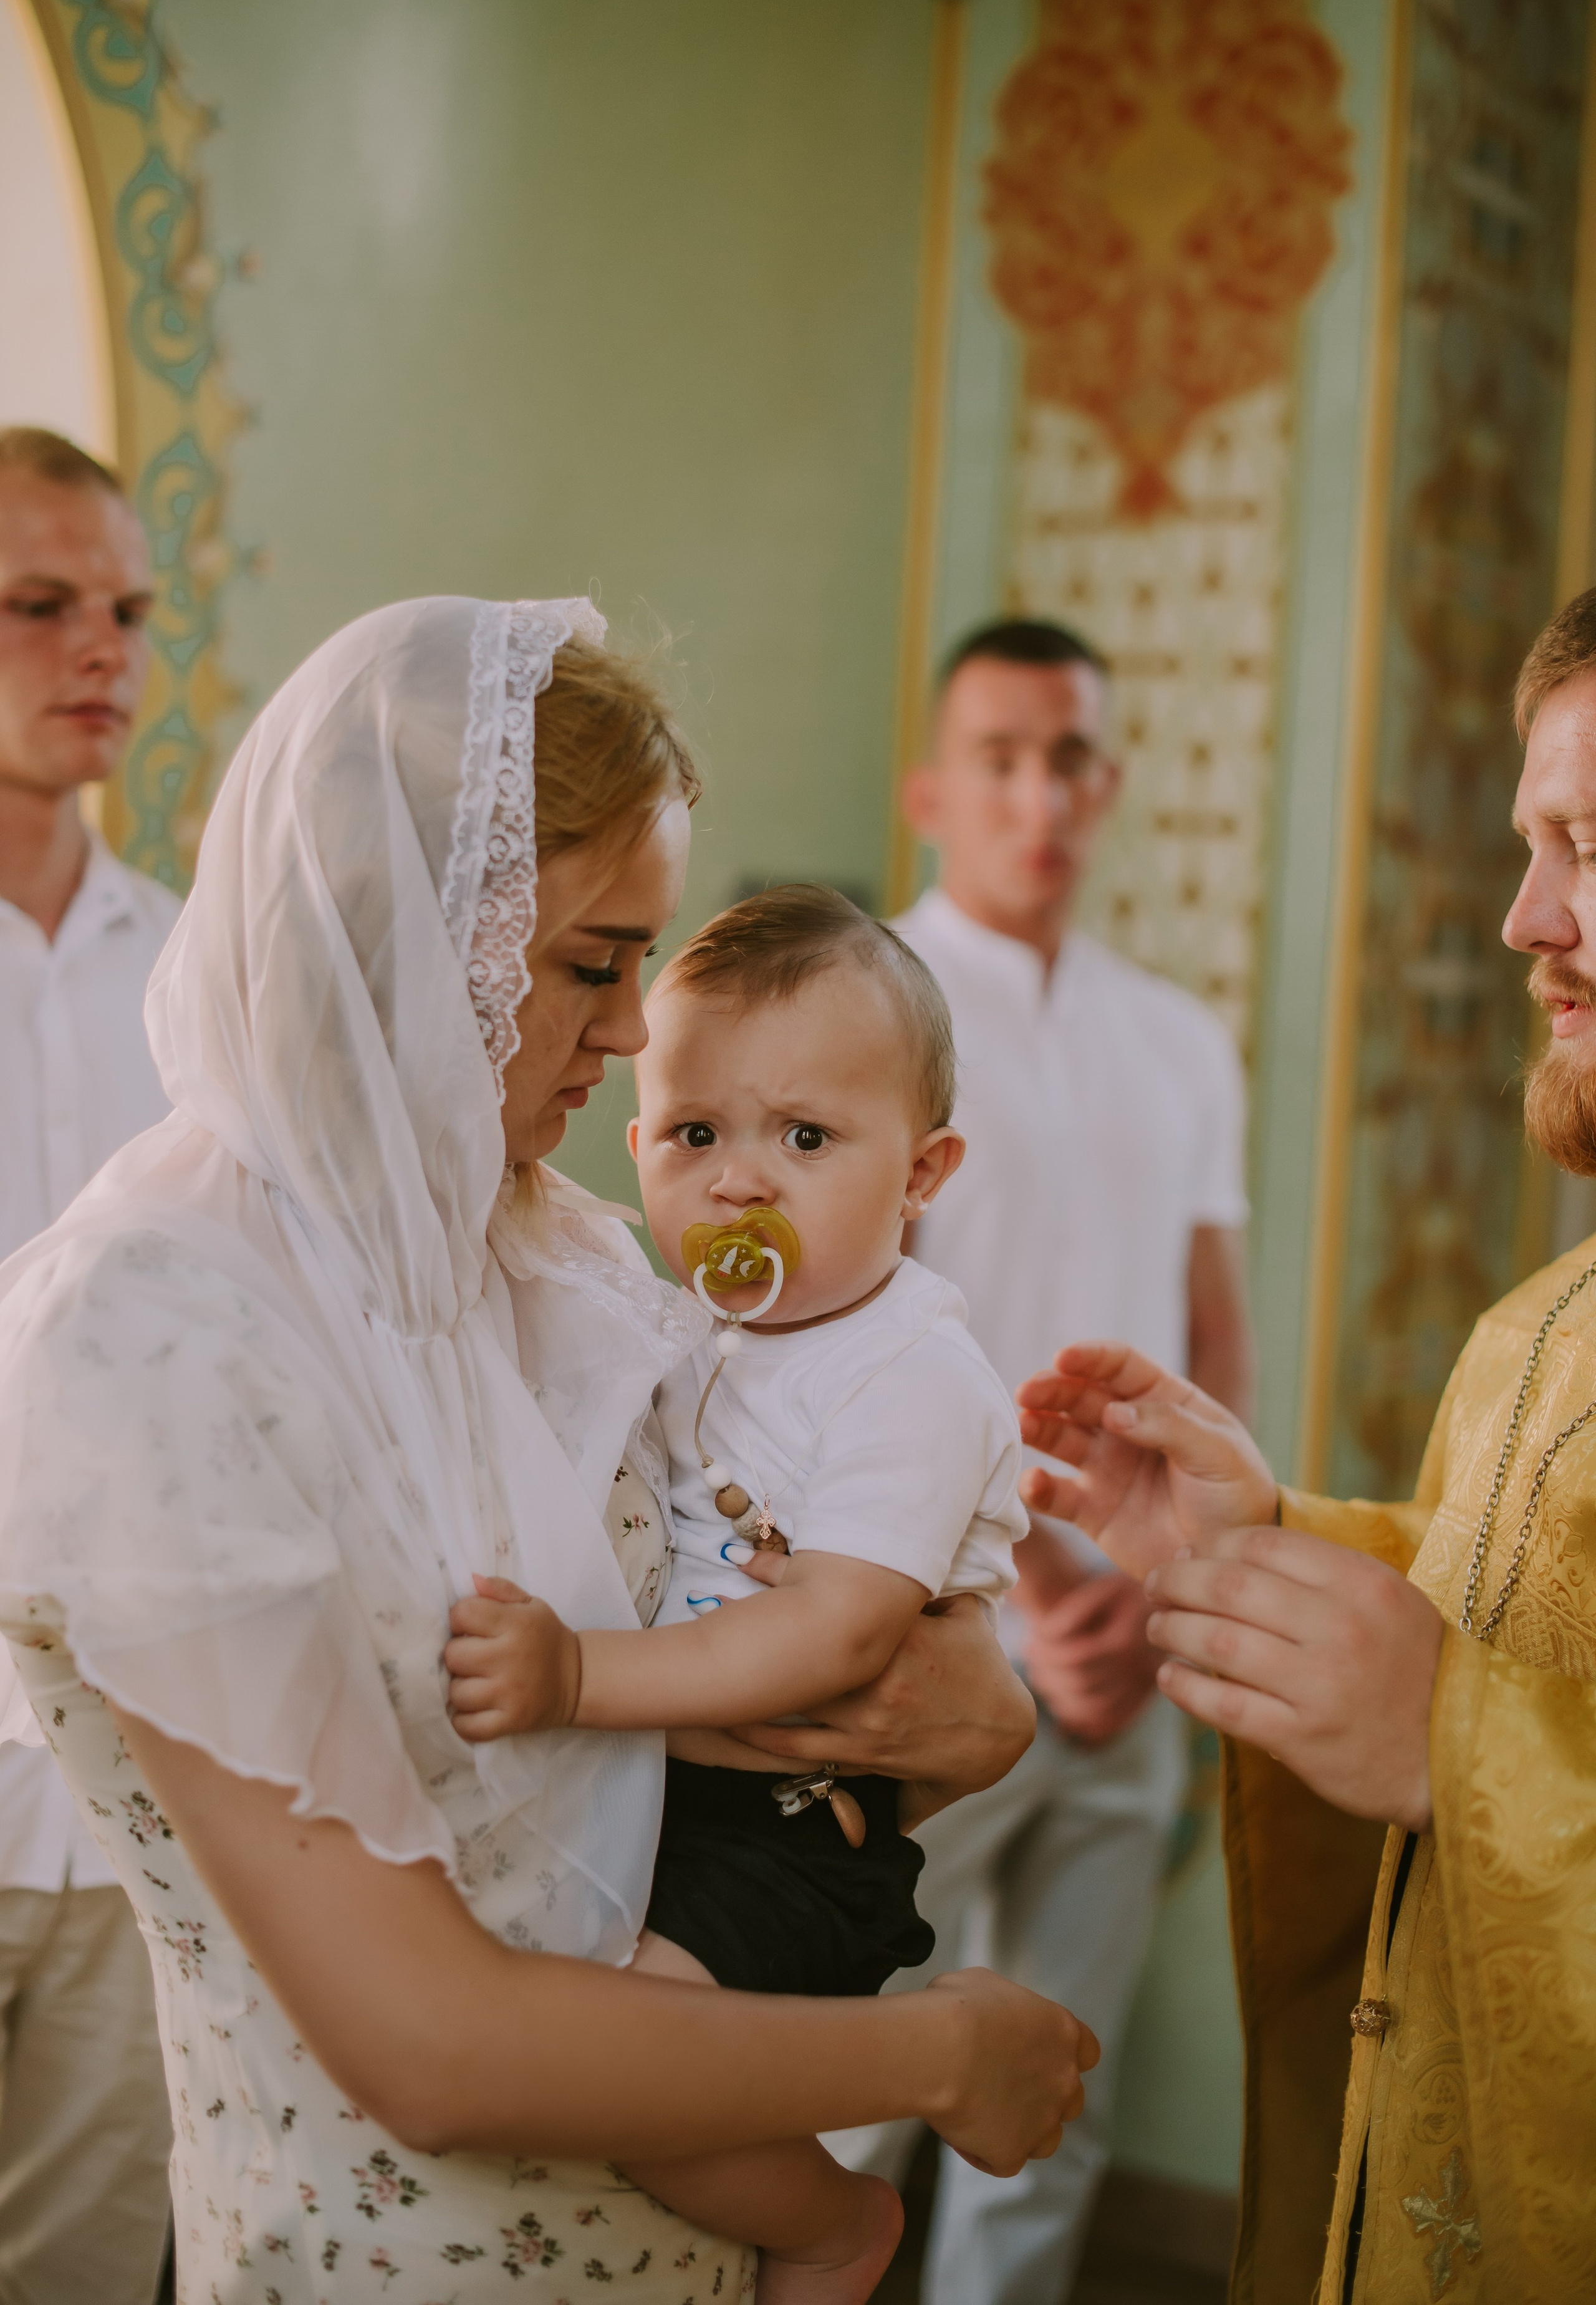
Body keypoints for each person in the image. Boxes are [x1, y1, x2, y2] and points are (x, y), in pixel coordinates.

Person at [0, 594, 1094, 2303]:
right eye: (594, 960)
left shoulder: (555, 1252)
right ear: (405, 934)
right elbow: (425, 2044)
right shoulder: (143, 1331)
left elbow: (842, 1610)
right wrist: (937, 2058)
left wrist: (979, 1700)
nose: (637, 1029)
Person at [1016, 585, 1596, 2304]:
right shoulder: (1539, 1327)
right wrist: (1270, 1538)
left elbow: (1482, 1704)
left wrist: (1459, 1750)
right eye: (1530, 841)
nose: (1522, 915)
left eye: (1587, 842)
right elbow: (1520, 1620)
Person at [446, 883, 1046, 2301]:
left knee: (621, 2061)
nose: (737, 1181)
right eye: (695, 1134)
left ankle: (833, 2225)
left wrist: (577, 1678)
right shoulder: (688, 1329)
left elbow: (842, 1625)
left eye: (806, 1137)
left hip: (790, 1835)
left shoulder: (909, 1372)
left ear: (922, 1171)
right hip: (662, 1805)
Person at [827, 616, 1255, 2304]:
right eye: (1001, 756)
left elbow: (1215, 1330)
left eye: (1070, 755)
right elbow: (837, 1337)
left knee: (1051, 2103)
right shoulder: (866, 1013)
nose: (1041, 794)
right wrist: (1030, 1583)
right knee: (846, 2092)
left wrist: (1166, 1589)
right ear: (935, 787)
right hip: (919, 1625)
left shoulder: (1180, 1039)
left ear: (1112, 780)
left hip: (1134, 1645)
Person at [0, 425, 176, 2304]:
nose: (97, 649)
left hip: (131, 1779)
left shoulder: (197, 985)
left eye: (124, 608)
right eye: (37, 605)